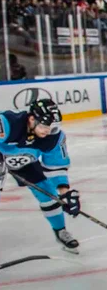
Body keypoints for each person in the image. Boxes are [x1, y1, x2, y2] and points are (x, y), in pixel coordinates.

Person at [0, 98, 80, 252]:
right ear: (31, 119)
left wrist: (65, 193)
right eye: (44, 126)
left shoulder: (53, 137)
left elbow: (56, 166)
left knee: (48, 193)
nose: (47, 131)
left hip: (26, 162)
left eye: (51, 127)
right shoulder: (8, 123)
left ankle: (60, 230)